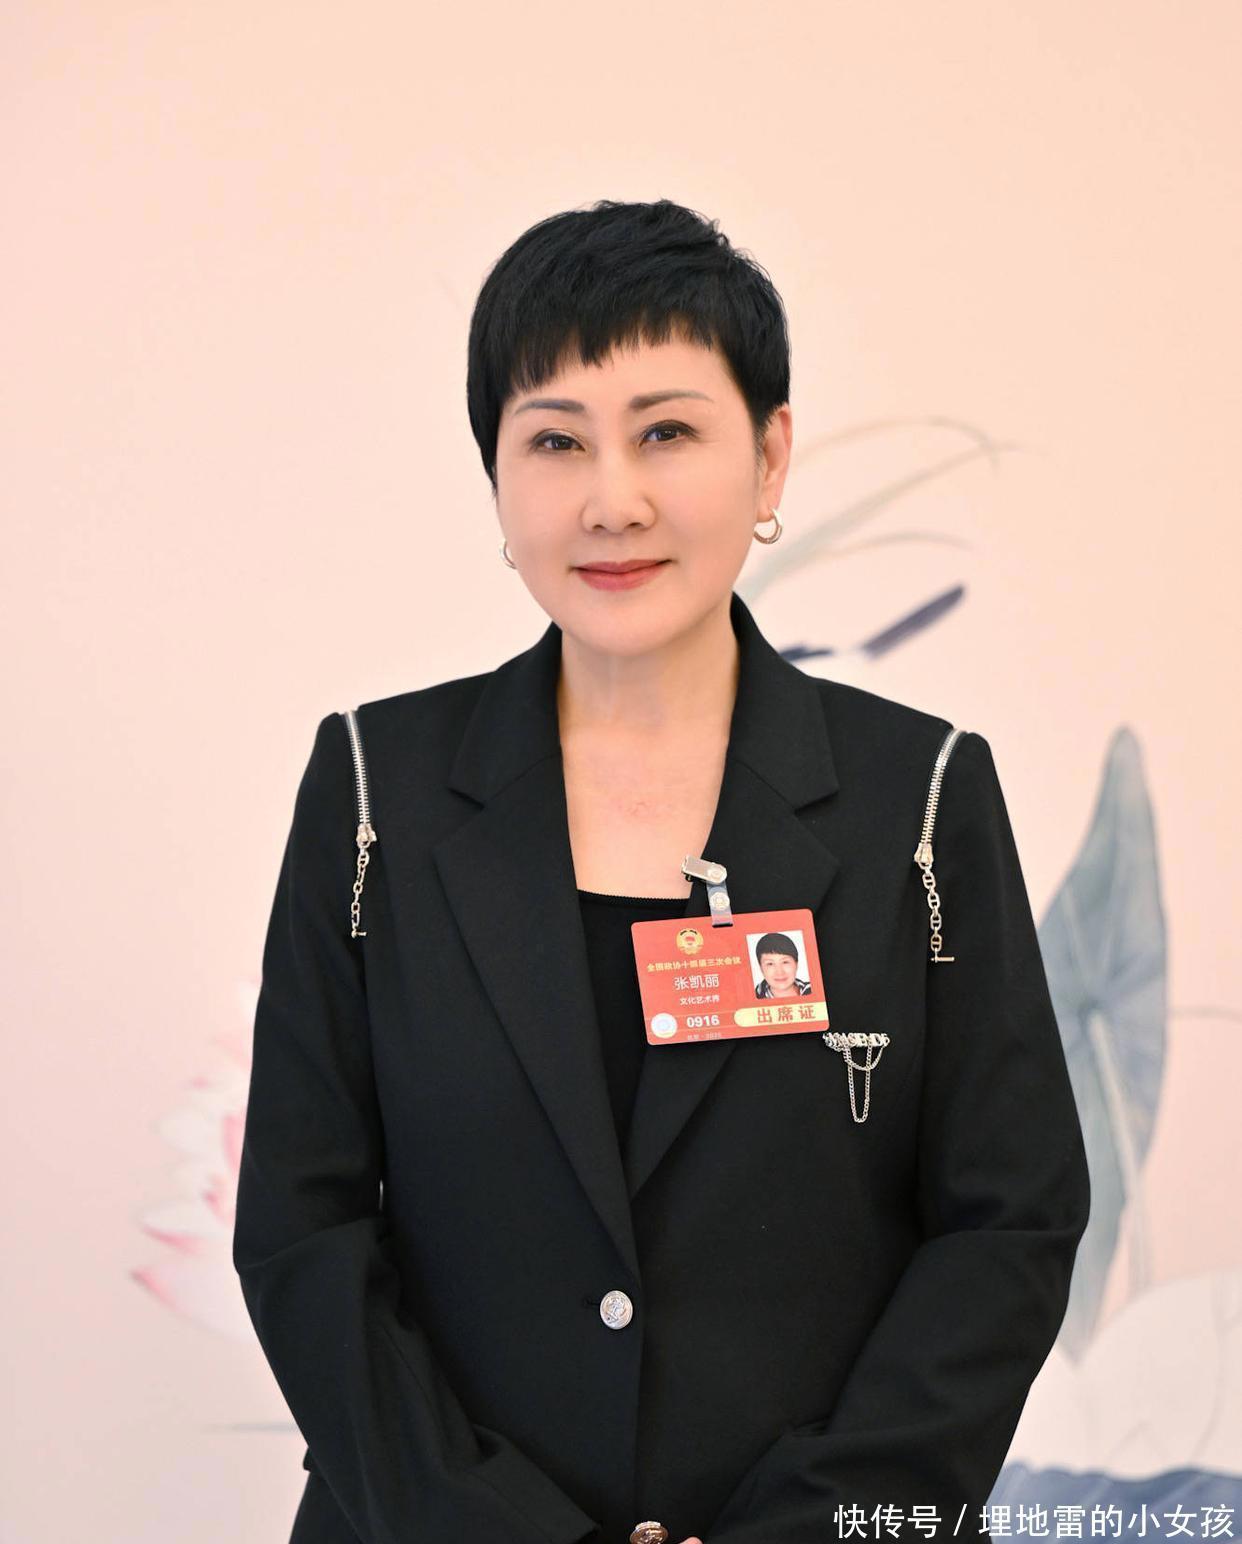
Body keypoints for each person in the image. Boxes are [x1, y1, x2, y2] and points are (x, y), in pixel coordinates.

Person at [232, 198, 1090, 1544]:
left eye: (667, 432)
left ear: (769, 457)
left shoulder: (917, 797)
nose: (611, 500)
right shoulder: (373, 788)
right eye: (555, 440)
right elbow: (304, 1226)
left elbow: (1007, 1223)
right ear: (496, 474)